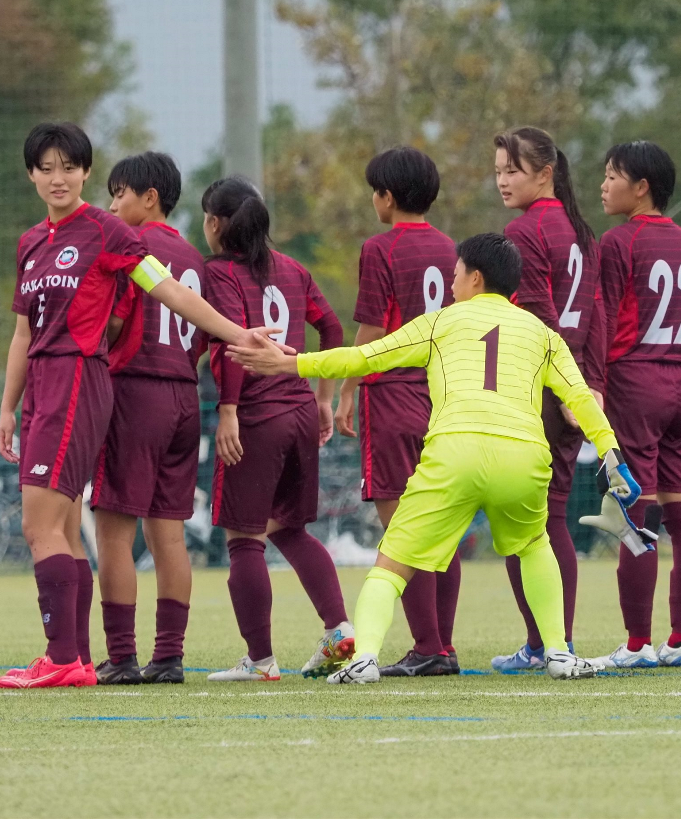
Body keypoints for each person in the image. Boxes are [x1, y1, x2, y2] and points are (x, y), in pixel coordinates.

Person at [226, 233, 639, 684]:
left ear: (476, 278)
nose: (451, 283)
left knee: (392, 563)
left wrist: (288, 363)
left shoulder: (440, 322)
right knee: (534, 546)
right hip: (523, 456)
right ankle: (558, 652)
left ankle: (363, 658)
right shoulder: (542, 333)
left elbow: (363, 357)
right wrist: (611, 454)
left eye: (456, 274)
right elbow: (580, 397)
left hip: (455, 453)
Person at [0, 124, 269, 690]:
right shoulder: (30, 243)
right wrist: (7, 407)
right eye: (45, 167)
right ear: (30, 174)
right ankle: (80, 656)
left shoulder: (109, 231)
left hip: (88, 380)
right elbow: (23, 334)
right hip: (59, 387)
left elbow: (167, 292)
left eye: (69, 166)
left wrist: (237, 335)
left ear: (86, 173)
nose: (57, 177)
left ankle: (76, 656)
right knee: (66, 526)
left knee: (50, 524)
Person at [199, 177, 352, 682]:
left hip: (256, 417)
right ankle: (338, 629)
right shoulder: (292, 268)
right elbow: (331, 329)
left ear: (216, 224)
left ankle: (261, 661)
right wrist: (323, 397)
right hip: (300, 411)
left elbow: (237, 342)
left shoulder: (218, 272)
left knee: (245, 541)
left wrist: (228, 410)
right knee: (289, 528)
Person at [333, 147, 460, 677]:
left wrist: (345, 390)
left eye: (374, 192)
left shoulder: (379, 248)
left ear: (386, 196)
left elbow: (371, 332)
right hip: (442, 394)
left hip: (390, 394)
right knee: (440, 528)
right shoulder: (453, 249)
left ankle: (429, 646)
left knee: (401, 532)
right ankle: (441, 645)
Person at [592, 141, 681, 669]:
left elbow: (604, 323)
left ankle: (638, 644)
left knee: (632, 515)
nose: (604, 184)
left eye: (613, 175)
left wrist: (591, 384)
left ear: (642, 187)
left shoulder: (619, 243)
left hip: (635, 382)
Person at [489, 126, 605, 673]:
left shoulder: (524, 228)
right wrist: (590, 385)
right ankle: (554, 642)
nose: (503, 180)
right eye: (498, 171)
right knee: (549, 515)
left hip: (540, 391)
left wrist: (560, 387)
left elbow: (540, 315)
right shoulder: (581, 231)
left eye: (513, 169)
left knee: (527, 520)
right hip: (571, 387)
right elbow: (596, 317)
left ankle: (544, 644)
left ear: (545, 172)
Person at [91, 152, 205, 684]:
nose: (112, 206)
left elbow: (113, 325)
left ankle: (121, 657)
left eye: (119, 194)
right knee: (170, 535)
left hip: (137, 391)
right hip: (186, 394)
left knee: (113, 530)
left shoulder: (127, 246)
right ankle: (169, 657)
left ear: (149, 197)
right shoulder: (195, 258)